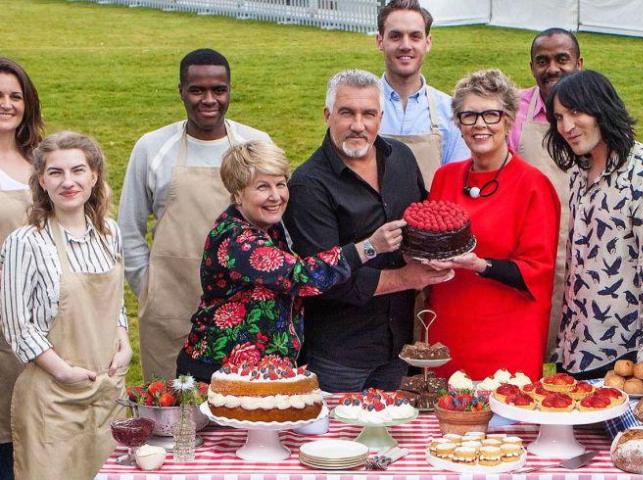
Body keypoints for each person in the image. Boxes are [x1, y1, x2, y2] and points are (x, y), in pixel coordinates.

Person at [284, 69, 452, 392]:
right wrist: (407, 278)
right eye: (347, 113)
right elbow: (323, 280)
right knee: (337, 440)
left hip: (398, 348)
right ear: (327, 115)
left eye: (368, 114)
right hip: (339, 356)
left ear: (380, 117)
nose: (358, 125)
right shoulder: (309, 184)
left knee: (396, 438)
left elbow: (421, 222)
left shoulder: (400, 158)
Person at [176, 140, 400, 382]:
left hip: (261, 374)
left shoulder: (268, 227)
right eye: (263, 187)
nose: (276, 196)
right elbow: (300, 277)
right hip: (218, 374)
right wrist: (369, 247)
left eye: (281, 184)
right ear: (238, 193)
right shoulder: (236, 239)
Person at [119, 48, 271, 381]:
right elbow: (128, 231)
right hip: (170, 309)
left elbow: (276, 226)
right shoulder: (151, 148)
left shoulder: (256, 145)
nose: (209, 99)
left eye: (219, 90)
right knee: (171, 415)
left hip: (241, 311)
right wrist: (149, 289)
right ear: (181, 91)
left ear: (230, 90)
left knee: (240, 411)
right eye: (197, 90)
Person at [2, 132, 130, 480]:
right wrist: (63, 372)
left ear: (94, 176)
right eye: (55, 173)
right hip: (53, 402)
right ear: (41, 180)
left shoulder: (109, 233)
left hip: (106, 395)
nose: (68, 182)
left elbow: (115, 303)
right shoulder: (25, 242)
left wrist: (124, 341)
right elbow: (18, 327)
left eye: (78, 170)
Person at [424, 69, 559, 381]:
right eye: (469, 115)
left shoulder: (533, 185)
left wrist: (481, 265)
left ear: (509, 119)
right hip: (450, 331)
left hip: (508, 337)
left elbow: (537, 270)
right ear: (457, 123)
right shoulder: (445, 178)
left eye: (491, 114)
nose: (480, 124)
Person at [545, 71, 643, 380]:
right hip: (574, 348)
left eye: (576, 113)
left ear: (602, 109)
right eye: (560, 117)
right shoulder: (579, 169)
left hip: (622, 353)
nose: (567, 127)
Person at [507, 27, 583, 361]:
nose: (552, 68)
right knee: (524, 358)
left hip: (588, 254)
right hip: (530, 257)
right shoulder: (515, 113)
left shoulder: (596, 109)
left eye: (561, 59)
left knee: (578, 365)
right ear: (532, 67)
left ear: (579, 63)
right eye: (542, 61)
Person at [0, 57, 42, 480]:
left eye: (15, 96)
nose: (7, 104)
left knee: (36, 426)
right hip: (0, 316)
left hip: (44, 317)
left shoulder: (40, 162)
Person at [376, 0, 469, 188]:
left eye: (415, 36)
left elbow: (456, 183)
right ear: (380, 42)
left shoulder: (450, 111)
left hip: (434, 215)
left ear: (428, 43)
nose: (405, 45)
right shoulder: (360, 106)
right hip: (369, 217)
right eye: (395, 36)